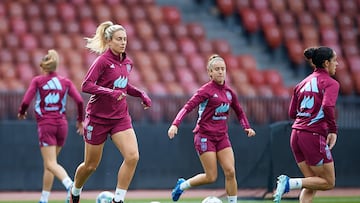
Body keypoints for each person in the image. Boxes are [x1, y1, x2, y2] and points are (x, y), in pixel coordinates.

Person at [69, 21, 152, 203]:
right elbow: (86, 85)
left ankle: (118, 200)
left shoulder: (127, 62)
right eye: (119, 39)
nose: (123, 42)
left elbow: (122, 85)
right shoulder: (102, 61)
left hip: (120, 117)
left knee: (133, 156)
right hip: (98, 118)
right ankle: (75, 191)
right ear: (109, 41)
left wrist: (140, 94)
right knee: (91, 165)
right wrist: (110, 92)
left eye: (125, 39)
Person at [168, 54, 256, 203]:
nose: (220, 72)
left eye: (223, 69)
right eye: (217, 69)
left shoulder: (229, 92)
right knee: (211, 176)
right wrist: (175, 124)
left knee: (230, 171)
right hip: (204, 136)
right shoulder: (205, 91)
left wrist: (246, 127)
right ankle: (182, 185)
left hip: (222, 137)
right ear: (210, 73)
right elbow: (187, 107)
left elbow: (239, 112)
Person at [273, 46, 339, 203]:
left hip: (296, 135)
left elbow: (291, 113)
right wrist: (333, 130)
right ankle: (289, 183)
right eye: (334, 60)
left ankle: (291, 184)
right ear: (326, 63)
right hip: (312, 136)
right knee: (328, 182)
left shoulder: (301, 84)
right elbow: (328, 106)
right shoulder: (331, 83)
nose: (337, 64)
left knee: (312, 181)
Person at [18, 49, 84, 203]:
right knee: (50, 163)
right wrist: (80, 120)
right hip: (62, 125)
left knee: (50, 163)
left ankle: (70, 186)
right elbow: (80, 101)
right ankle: (44, 198)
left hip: (46, 125)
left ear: (43, 67)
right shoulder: (65, 82)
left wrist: (21, 112)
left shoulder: (38, 81)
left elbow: (26, 101)